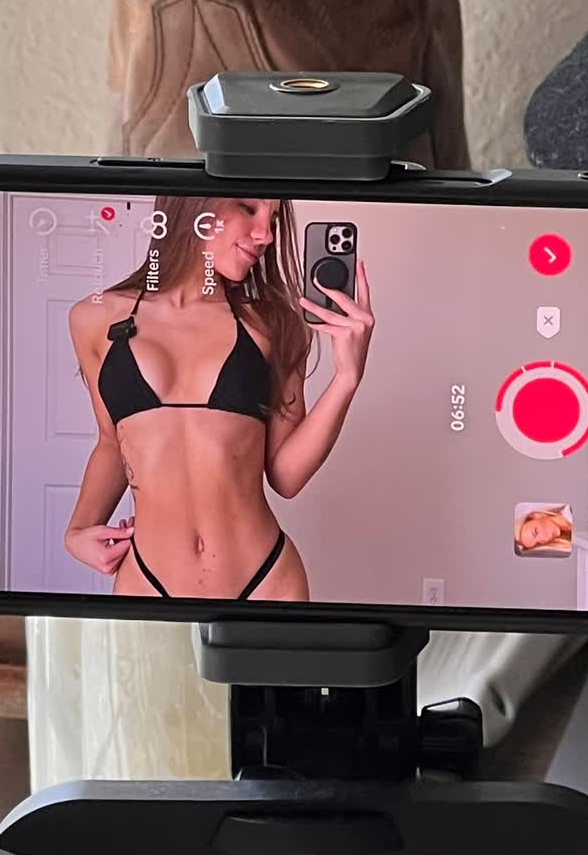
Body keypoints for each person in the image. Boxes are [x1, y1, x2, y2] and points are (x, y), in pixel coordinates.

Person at [64, 195, 374, 601]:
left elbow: (286, 476)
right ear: (193, 203)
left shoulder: (274, 323)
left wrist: (346, 379)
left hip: (266, 581)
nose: (266, 234)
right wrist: (77, 531)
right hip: (147, 580)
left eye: (273, 219)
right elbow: (111, 441)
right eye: (247, 208)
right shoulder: (93, 318)